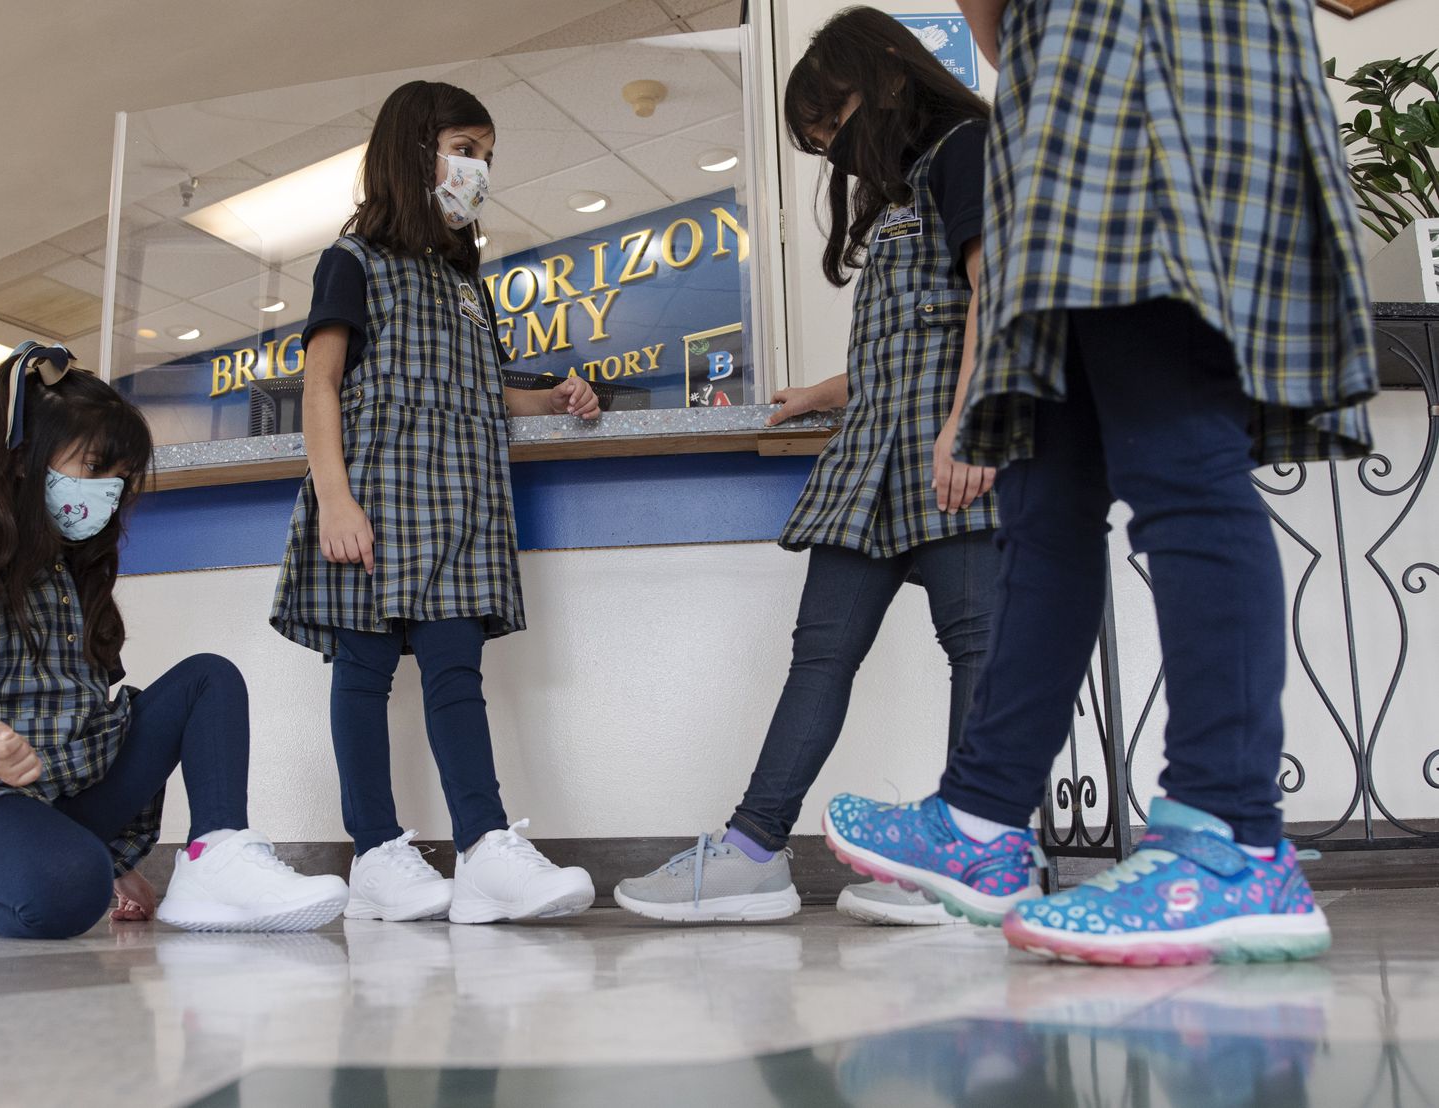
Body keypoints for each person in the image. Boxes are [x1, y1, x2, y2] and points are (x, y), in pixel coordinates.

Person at [825, 0, 1378, 964]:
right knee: (1046, 496)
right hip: (1066, 106)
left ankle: (1230, 837)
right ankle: (984, 818)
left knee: (1179, 457)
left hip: (1158, 76)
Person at [615, 7, 999, 925]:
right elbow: (918, 328)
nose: (835, 152)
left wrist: (969, 432)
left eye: (835, 125)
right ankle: (753, 850)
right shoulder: (908, 185)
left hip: (950, 449)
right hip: (874, 456)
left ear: (890, 80)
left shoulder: (969, 148)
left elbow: (998, 294)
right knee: (820, 654)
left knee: (978, 650)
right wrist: (824, 391)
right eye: (819, 140)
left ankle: (977, 865)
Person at [0, 342, 349, 938]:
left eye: (120, 478)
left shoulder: (73, 577)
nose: (109, 490)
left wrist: (112, 862)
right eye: (94, 469)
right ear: (24, 461)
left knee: (209, 678)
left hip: (60, 791)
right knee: (71, 887)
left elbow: (87, 726)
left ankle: (214, 860)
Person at [271, 81, 600, 925]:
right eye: (466, 148)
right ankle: (377, 851)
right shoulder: (351, 261)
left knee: (458, 670)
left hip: (458, 500)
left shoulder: (463, 279)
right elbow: (322, 383)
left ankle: (485, 848)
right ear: (414, 152)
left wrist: (554, 399)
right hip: (375, 495)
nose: (478, 169)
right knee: (364, 673)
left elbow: (484, 390)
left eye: (487, 155)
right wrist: (336, 499)